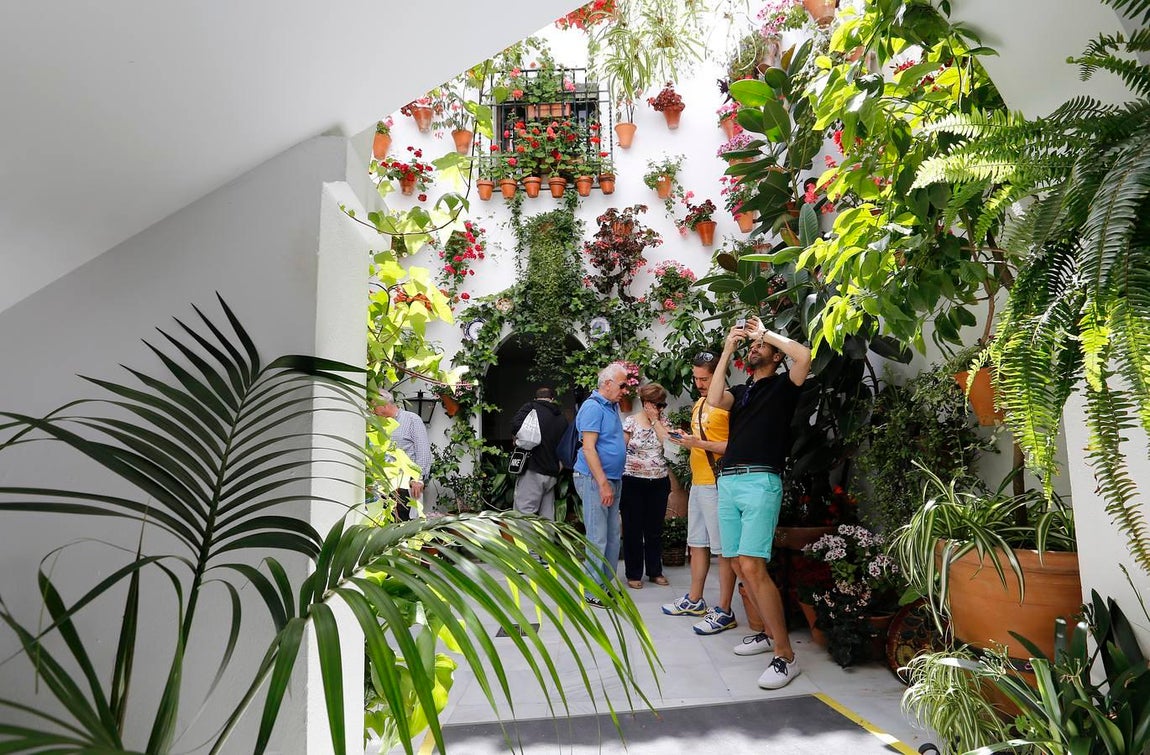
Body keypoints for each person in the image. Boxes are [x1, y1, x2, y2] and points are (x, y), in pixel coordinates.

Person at [708, 316, 811, 689]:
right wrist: (727, 349)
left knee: (752, 565)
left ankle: (785, 655)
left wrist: (764, 333)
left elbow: (803, 356)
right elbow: (715, 399)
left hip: (759, 480)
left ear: (774, 355)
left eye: (760, 347)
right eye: (752, 346)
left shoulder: (785, 385)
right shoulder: (743, 390)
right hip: (730, 482)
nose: (754, 348)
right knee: (736, 562)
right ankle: (768, 634)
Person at [663, 351, 749, 641]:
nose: (699, 384)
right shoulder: (700, 404)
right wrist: (684, 439)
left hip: (718, 483)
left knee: (723, 551)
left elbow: (736, 446)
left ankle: (724, 609)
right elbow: (701, 444)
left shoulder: (727, 403)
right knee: (696, 544)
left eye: (705, 378)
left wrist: (697, 441)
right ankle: (695, 599)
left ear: (718, 376)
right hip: (699, 483)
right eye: (697, 378)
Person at [573, 363, 628, 608]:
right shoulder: (592, 407)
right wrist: (603, 483)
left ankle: (605, 585)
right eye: (622, 385)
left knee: (613, 537)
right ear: (607, 384)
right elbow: (588, 447)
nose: (625, 390)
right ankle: (592, 590)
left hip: (612, 478)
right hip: (595, 480)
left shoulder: (612, 406)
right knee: (598, 537)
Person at [620, 383, 673, 589]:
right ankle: (634, 573)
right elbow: (621, 450)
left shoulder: (663, 421)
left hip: (658, 480)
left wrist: (655, 420)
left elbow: (667, 443)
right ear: (646, 403)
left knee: (654, 529)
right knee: (632, 528)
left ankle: (654, 571)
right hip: (633, 480)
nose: (661, 409)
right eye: (657, 405)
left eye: (663, 405)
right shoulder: (630, 422)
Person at [510, 386, 569, 521]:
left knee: (524, 514)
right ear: (552, 399)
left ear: (536, 398)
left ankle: (526, 543)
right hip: (552, 473)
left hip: (533, 468)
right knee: (547, 517)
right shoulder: (561, 418)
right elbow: (565, 445)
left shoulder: (531, 408)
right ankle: (548, 541)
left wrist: (517, 439)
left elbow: (514, 425)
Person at [373, 389, 433, 521]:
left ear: (384, 405)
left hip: (406, 484)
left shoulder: (411, 420)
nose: (372, 410)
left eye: (374, 406)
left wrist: (418, 479)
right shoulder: (377, 424)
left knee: (404, 525)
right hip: (382, 486)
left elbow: (422, 450)